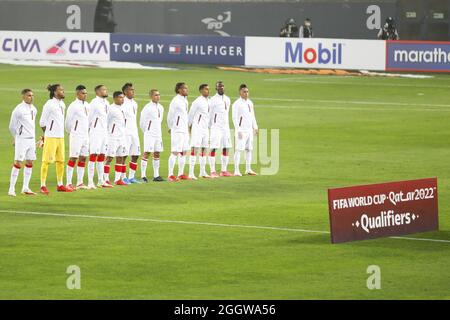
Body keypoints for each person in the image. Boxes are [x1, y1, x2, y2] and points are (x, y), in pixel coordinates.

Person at [39, 84, 72, 194]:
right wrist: (47, 134)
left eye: (63, 89)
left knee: (61, 161)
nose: (63, 91)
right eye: (61, 90)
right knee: (46, 161)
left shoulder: (62, 104)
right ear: (54, 92)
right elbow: (42, 122)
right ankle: (43, 185)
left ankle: (60, 184)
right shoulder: (49, 104)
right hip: (51, 137)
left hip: (60, 137)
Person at [8, 89, 38, 196]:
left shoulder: (34, 109)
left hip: (31, 140)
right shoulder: (18, 110)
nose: (31, 97)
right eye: (29, 95)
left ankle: (25, 187)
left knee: (30, 162)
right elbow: (12, 126)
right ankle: (11, 189)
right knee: (18, 162)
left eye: (32, 95)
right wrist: (16, 137)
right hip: (22, 140)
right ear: (23, 97)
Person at [65, 85, 90, 190]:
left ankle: (80, 182)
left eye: (85, 93)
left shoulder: (87, 105)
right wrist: (72, 131)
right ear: (77, 94)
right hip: (76, 135)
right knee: (73, 158)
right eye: (83, 93)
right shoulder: (73, 106)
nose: (85, 95)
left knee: (83, 158)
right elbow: (67, 122)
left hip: (85, 135)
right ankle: (68, 183)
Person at [232, 84, 258, 176]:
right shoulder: (236, 104)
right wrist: (238, 130)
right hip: (241, 130)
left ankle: (248, 169)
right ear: (240, 92)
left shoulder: (250, 103)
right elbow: (234, 118)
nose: (246, 93)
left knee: (249, 149)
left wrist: (255, 127)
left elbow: (252, 115)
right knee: (238, 149)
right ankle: (236, 170)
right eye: (244, 91)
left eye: (247, 91)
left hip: (249, 130)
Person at [88, 84, 111, 189]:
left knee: (102, 156)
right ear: (97, 92)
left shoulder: (107, 103)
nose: (105, 91)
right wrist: (88, 131)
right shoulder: (94, 103)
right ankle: (90, 182)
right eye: (103, 90)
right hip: (95, 132)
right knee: (93, 156)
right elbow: (89, 118)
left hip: (104, 133)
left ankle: (101, 181)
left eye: (106, 89)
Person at [140, 89, 165, 182]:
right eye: (155, 95)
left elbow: (160, 120)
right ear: (151, 96)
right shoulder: (147, 108)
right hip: (149, 134)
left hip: (158, 134)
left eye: (158, 95)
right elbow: (142, 122)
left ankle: (156, 175)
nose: (158, 97)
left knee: (157, 153)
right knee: (147, 153)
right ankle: (143, 176)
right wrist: (147, 131)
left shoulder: (161, 107)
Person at [167, 82, 190, 182]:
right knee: (175, 152)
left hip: (184, 130)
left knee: (184, 152)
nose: (186, 90)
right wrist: (171, 127)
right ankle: (170, 175)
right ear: (179, 90)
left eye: (186, 88)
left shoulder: (185, 100)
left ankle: (181, 174)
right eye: (184, 88)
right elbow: (170, 115)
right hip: (177, 129)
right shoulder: (175, 101)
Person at [209, 81, 232, 177]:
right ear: (216, 88)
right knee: (214, 147)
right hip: (216, 127)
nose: (221, 88)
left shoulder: (227, 99)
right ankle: (213, 171)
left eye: (222, 86)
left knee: (226, 147)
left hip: (225, 127)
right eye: (219, 87)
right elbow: (209, 114)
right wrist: (210, 126)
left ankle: (223, 170)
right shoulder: (212, 100)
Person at [104, 91, 127, 186]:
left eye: (123, 97)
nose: (122, 99)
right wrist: (109, 133)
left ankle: (118, 179)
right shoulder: (110, 109)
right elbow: (106, 122)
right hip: (112, 137)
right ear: (115, 98)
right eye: (120, 97)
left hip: (121, 137)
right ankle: (105, 179)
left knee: (120, 157)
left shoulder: (122, 108)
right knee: (109, 158)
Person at [188, 84, 211, 180]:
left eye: (208, 89)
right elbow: (191, 114)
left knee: (204, 149)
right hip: (197, 128)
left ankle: (202, 172)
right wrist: (189, 126)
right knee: (195, 149)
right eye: (206, 89)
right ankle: (191, 173)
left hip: (205, 129)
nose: (208, 91)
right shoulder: (197, 102)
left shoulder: (209, 101)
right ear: (201, 90)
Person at [121, 82, 141, 184]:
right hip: (125, 133)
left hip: (134, 132)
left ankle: (131, 177)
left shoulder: (135, 103)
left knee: (135, 154)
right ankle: (123, 177)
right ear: (125, 91)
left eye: (133, 90)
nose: (133, 91)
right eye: (130, 90)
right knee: (124, 155)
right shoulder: (122, 102)